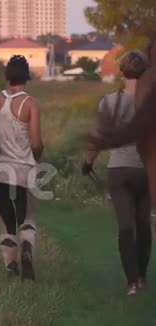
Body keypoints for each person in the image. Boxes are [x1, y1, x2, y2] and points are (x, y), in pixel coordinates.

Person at [83, 50, 151, 296]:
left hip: (120, 171)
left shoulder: (109, 102)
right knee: (144, 225)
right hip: (145, 171)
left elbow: (98, 138)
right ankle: (142, 278)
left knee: (125, 226)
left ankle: (131, 283)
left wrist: (88, 162)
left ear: (122, 72)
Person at [0, 55, 44, 280]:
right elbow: (36, 143)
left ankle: (10, 266)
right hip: (21, 171)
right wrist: (37, 156)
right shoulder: (30, 104)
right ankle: (27, 250)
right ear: (27, 76)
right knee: (26, 216)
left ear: (7, 76)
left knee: (7, 221)